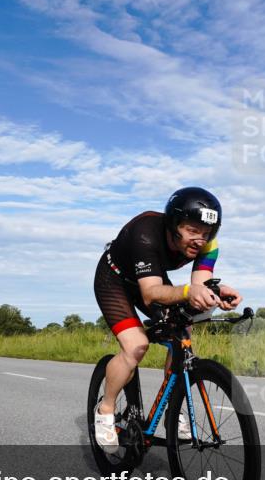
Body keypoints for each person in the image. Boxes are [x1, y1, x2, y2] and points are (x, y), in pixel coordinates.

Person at [92, 187, 242, 451]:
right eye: (193, 231)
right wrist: (187, 291)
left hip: (153, 277)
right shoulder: (145, 232)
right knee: (136, 345)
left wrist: (216, 293)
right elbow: (150, 294)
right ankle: (105, 409)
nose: (200, 239)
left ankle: (173, 409)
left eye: (206, 233)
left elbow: (200, 284)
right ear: (173, 224)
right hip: (114, 280)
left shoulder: (209, 245)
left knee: (182, 331)